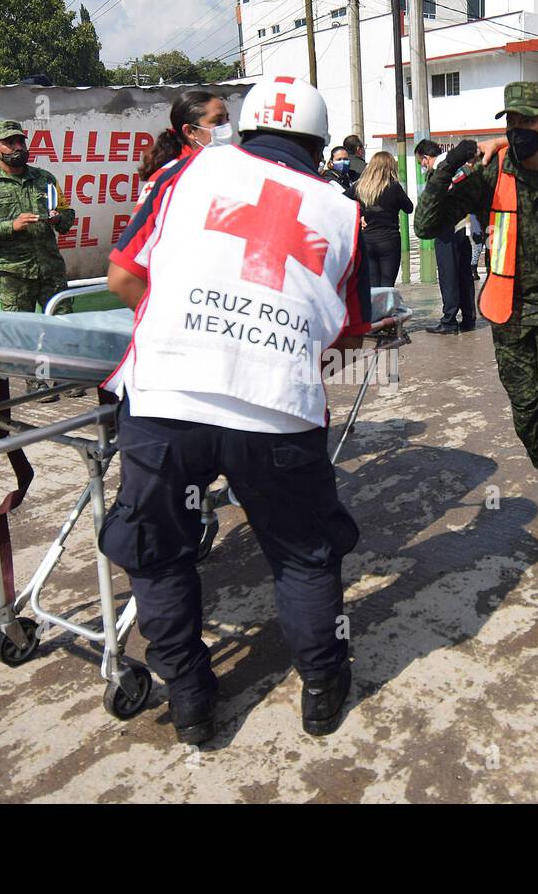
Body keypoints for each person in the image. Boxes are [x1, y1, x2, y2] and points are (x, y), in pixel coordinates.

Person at [99, 76, 369, 745]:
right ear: (318, 144)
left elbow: (124, 275)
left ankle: (191, 700)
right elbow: (345, 330)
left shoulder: (189, 170)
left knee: (157, 552)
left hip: (166, 398)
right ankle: (322, 689)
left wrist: (189, 326)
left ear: (244, 131)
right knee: (304, 553)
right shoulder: (342, 209)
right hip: (277, 410)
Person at [416, 81, 538, 525]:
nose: (518, 129)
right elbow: (426, 225)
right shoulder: (490, 173)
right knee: (526, 406)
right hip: (508, 306)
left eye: (528, 121)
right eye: (511, 120)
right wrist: (449, 166)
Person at [0, 120, 76, 314]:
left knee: (64, 325)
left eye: (20, 142)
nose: (18, 147)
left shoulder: (45, 179)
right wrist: (11, 225)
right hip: (13, 275)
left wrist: (58, 218)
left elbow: (67, 213)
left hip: (51, 270)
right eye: (9, 142)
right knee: (19, 332)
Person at [415, 139, 476, 334]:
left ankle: (449, 321)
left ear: (425, 158)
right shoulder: (460, 166)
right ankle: (468, 319)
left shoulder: (442, 169)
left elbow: (439, 199)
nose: (422, 167)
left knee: (448, 276)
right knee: (464, 275)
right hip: (464, 227)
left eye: (420, 163)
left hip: (447, 229)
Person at [136, 91, 230, 203]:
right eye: (218, 122)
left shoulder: (235, 169)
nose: (227, 127)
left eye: (227, 119)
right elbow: (142, 220)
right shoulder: (167, 179)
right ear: (190, 131)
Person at [347, 151, 412, 288]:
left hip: (366, 241)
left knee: (372, 286)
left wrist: (359, 215)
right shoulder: (394, 187)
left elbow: (340, 200)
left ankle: (373, 310)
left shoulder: (360, 186)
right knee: (387, 285)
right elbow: (409, 208)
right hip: (389, 240)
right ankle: (387, 310)